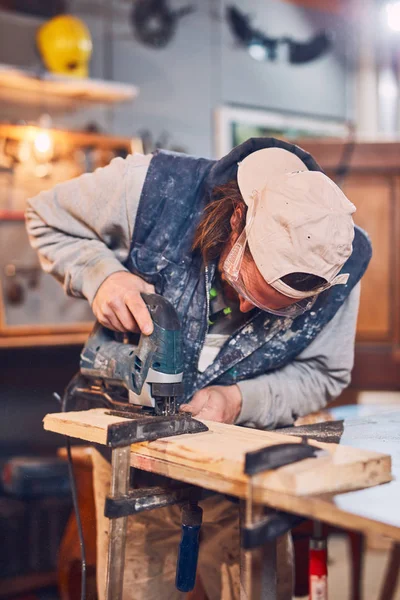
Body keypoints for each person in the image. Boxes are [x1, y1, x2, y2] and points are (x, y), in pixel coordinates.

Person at [26, 138, 371, 599]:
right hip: (138, 464)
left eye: (273, 309)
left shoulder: (339, 253)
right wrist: (101, 275)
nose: (245, 307)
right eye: (242, 286)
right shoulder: (153, 187)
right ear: (236, 221)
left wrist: (239, 400)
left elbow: (323, 373)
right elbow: (46, 217)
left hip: (243, 469)